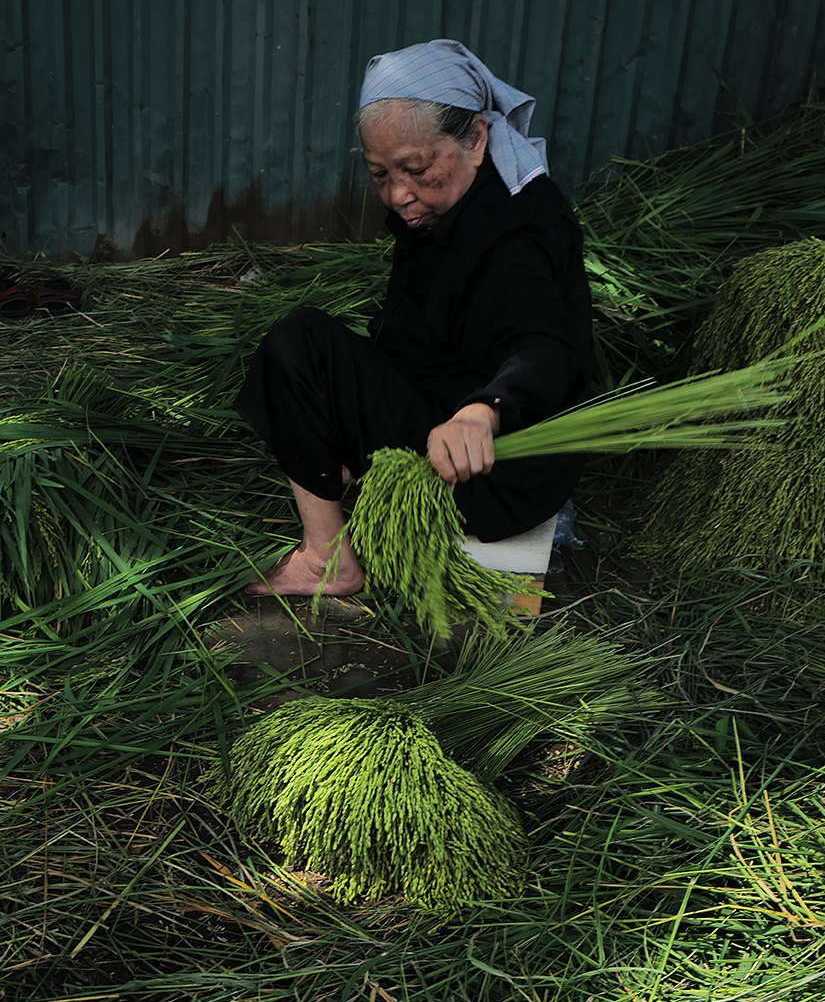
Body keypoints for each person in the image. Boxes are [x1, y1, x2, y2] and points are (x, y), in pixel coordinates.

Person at [238, 40, 594, 596]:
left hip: (484, 471)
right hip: (438, 421)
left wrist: (485, 410)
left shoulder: (518, 232)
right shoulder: (449, 200)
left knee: (297, 342)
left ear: (476, 139)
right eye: (380, 174)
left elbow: (546, 348)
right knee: (313, 351)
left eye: (416, 169)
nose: (400, 195)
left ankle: (327, 563)